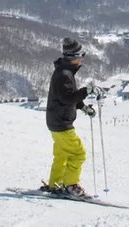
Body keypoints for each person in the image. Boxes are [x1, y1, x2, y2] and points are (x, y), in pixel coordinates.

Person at [43, 37, 96, 198]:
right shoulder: (64, 74)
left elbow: (69, 97)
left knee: (62, 155)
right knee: (78, 153)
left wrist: (83, 107)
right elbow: (67, 98)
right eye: (81, 55)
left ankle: (56, 184)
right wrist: (86, 90)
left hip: (55, 121)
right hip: (62, 123)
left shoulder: (65, 72)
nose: (82, 59)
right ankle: (70, 186)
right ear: (73, 57)